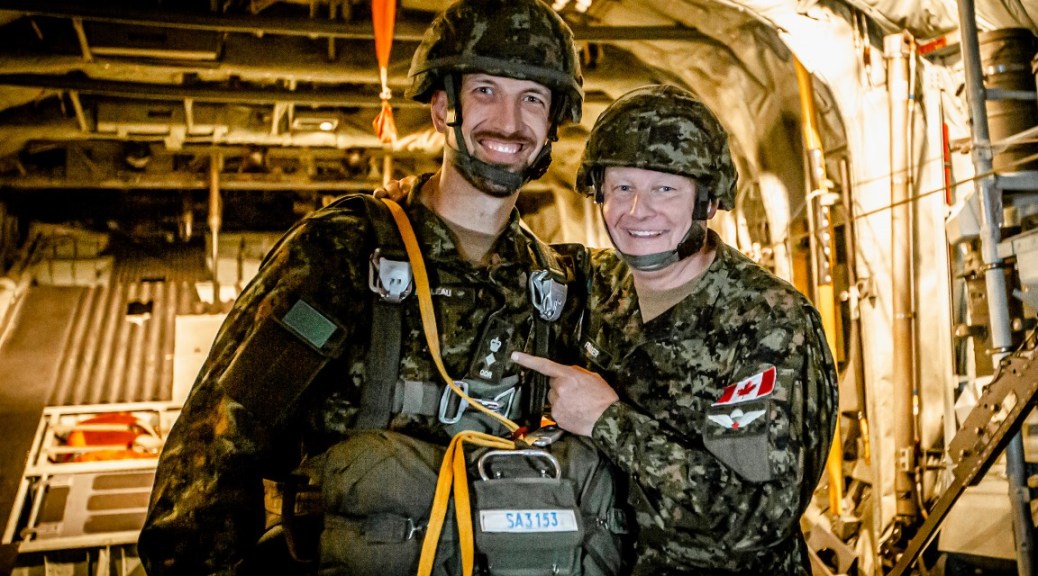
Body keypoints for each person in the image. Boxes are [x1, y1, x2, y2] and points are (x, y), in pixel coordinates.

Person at [138, 1, 627, 574]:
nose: (510, 122)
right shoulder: (341, 252)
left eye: (533, 100)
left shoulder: (559, 283)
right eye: (487, 91)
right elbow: (223, 437)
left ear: (551, 125)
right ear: (444, 106)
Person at [512, 84, 839, 575]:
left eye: (665, 188)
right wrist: (414, 209)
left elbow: (757, 518)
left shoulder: (769, 322)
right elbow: (487, 263)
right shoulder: (593, 285)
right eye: (622, 187)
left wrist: (608, 420)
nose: (637, 210)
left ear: (706, 201)